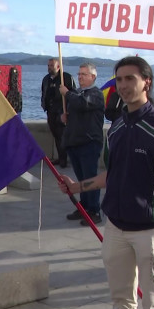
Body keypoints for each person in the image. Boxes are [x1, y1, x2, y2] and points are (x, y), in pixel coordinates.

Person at [58, 56, 154, 309]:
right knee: (121, 302)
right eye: (119, 79)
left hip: (150, 231)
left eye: (130, 78)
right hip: (116, 228)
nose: (123, 85)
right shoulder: (116, 128)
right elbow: (111, 175)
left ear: (146, 83)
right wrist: (77, 188)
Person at [60, 62, 105, 225]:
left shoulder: (95, 94)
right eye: (79, 74)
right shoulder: (78, 93)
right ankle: (84, 208)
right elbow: (76, 110)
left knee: (90, 178)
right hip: (75, 142)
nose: (80, 77)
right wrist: (65, 117)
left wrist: (67, 93)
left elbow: (82, 104)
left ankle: (94, 210)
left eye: (84, 74)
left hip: (89, 142)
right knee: (81, 179)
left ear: (93, 77)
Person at [41, 58, 76, 167]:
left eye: (51, 65)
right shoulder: (46, 79)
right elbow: (44, 93)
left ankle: (64, 160)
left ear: (58, 67)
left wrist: (68, 110)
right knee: (56, 135)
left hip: (62, 110)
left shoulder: (66, 78)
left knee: (62, 136)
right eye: (48, 65)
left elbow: (73, 94)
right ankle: (60, 157)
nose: (49, 67)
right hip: (50, 111)